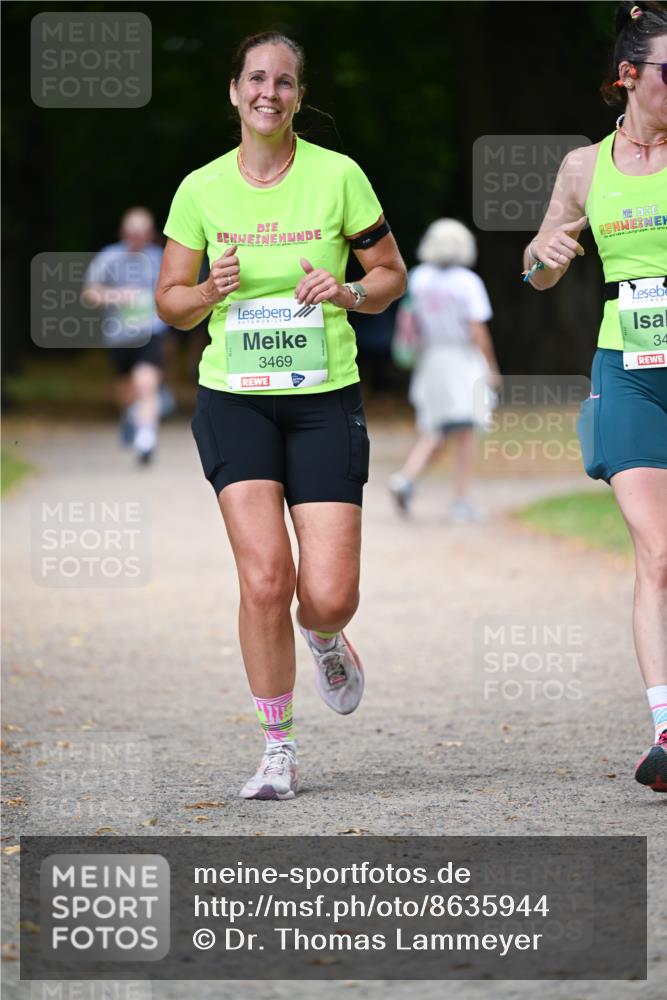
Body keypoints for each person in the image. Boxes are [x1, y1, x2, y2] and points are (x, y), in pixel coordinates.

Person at [156, 32, 406, 800]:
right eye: (256, 79)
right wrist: (207, 292)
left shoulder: (339, 178)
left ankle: (325, 635)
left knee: (325, 593)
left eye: (285, 82)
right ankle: (276, 747)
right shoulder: (200, 189)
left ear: (299, 95)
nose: (269, 92)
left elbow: (390, 273)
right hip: (234, 399)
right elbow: (169, 301)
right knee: (265, 577)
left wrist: (349, 294)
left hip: (323, 397)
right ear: (234, 91)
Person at [524, 1, 667, 793]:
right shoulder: (584, 167)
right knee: (658, 550)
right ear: (629, 77)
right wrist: (542, 258)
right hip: (630, 367)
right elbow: (541, 266)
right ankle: (664, 731)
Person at [389, 219, 501, 521]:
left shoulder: (418, 278)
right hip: (462, 359)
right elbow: (477, 329)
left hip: (430, 358)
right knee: (466, 428)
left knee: (436, 426)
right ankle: (460, 500)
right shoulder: (467, 282)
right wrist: (491, 367)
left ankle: (406, 479)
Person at [83, 207, 169, 464]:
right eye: (132, 233)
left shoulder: (160, 257)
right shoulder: (109, 257)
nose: (137, 239)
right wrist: (116, 296)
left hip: (151, 331)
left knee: (147, 383)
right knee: (127, 390)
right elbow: (89, 293)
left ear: (151, 234)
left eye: (143, 233)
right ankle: (131, 416)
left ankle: (146, 439)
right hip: (119, 335)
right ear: (123, 233)